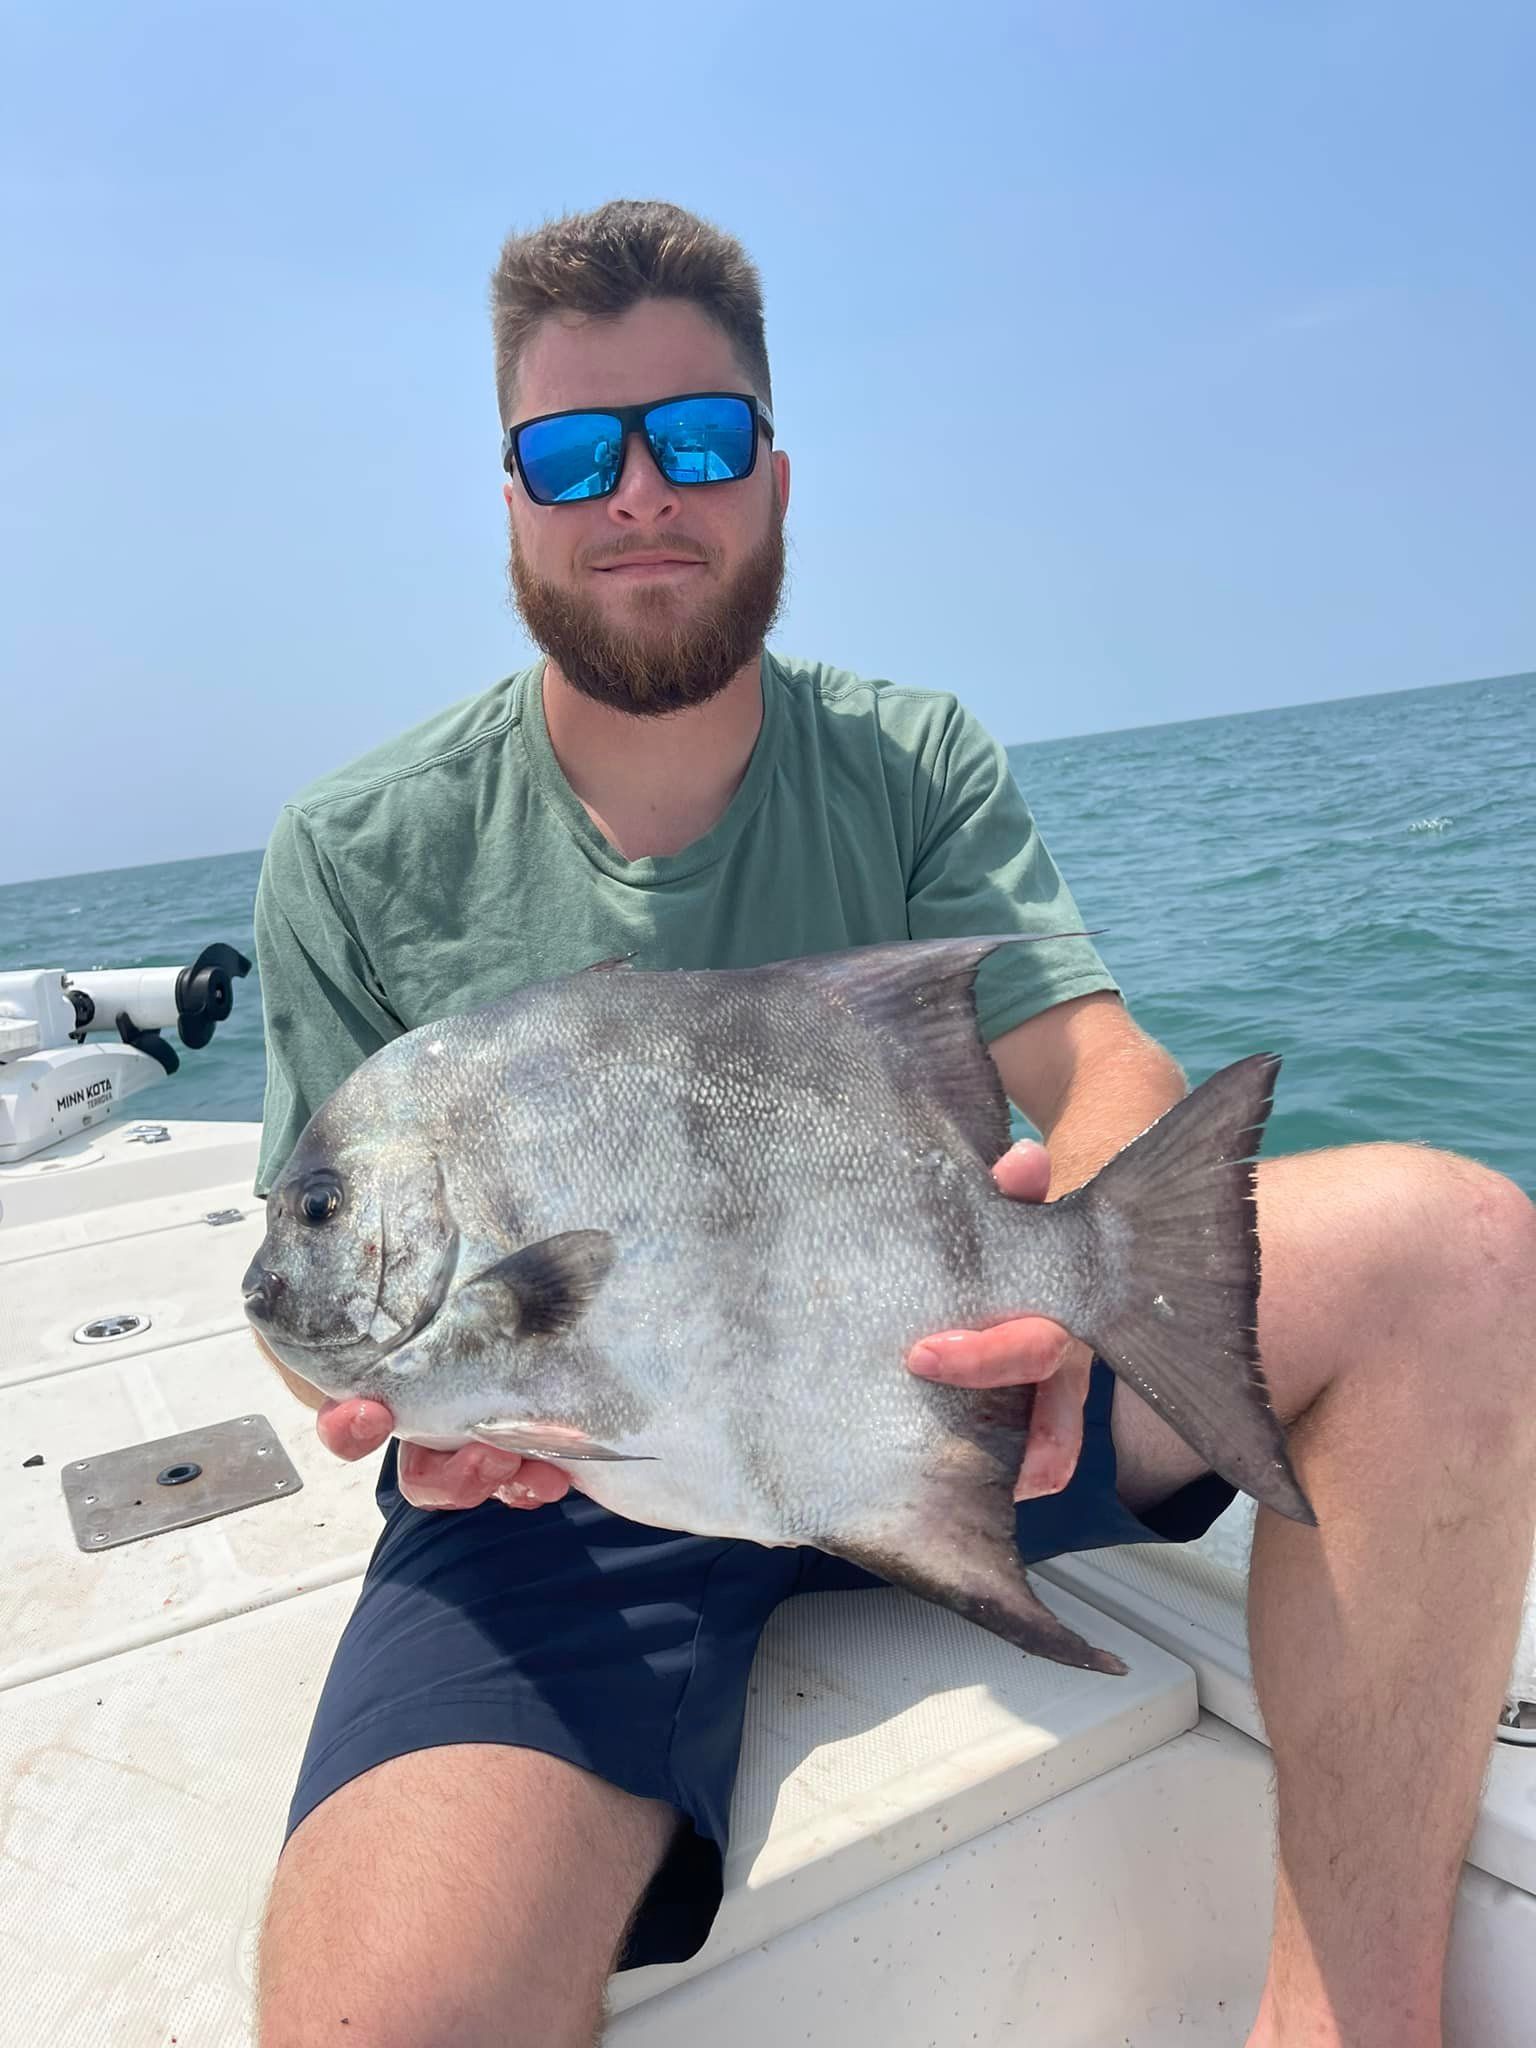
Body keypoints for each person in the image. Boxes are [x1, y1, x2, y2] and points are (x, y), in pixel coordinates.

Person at [248, 199, 1536, 2048]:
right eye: (570, 451)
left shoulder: (911, 758)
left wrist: (1072, 1300)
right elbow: (322, 1285)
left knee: (1460, 1248)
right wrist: (402, 1426)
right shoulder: (353, 853)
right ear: (511, 494)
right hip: (565, 1491)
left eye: (693, 441)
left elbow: (1105, 1073)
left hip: (946, 1381)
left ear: (773, 476)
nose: (638, 497)